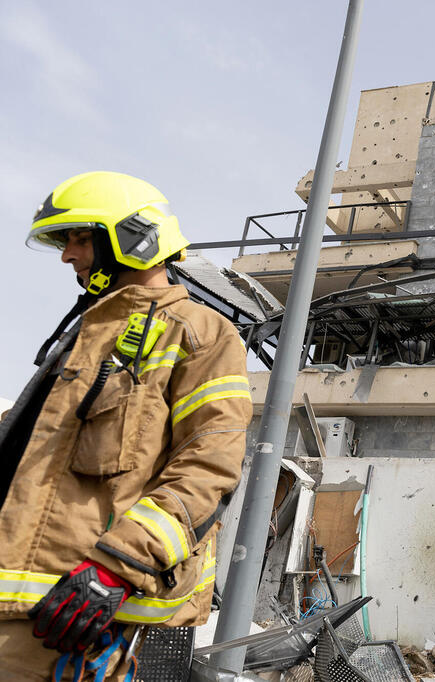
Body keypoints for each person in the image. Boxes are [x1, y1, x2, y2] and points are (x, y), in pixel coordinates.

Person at [0, 171, 252, 680]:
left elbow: (208, 466)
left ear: (134, 240)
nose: (67, 255)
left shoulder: (199, 334)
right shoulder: (83, 337)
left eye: (78, 238)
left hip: (66, 619)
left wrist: (113, 569)